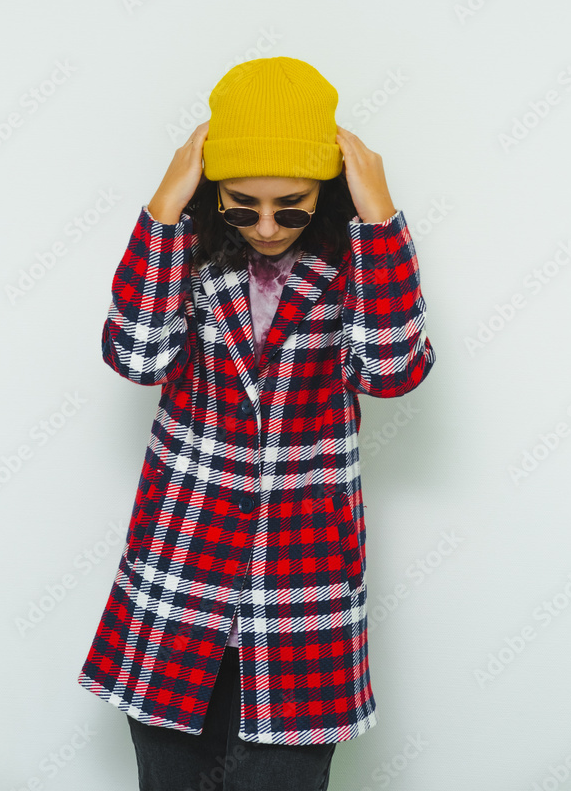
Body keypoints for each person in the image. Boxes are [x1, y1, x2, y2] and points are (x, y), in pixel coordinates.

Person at [77, 56, 436, 790]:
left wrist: (379, 219)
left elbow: (392, 370)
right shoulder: (187, 264)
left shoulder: (353, 271)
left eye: (291, 207)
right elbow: (137, 355)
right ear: (213, 194)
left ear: (325, 194)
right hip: (179, 572)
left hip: (302, 582)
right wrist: (164, 208)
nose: (267, 227)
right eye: (242, 206)